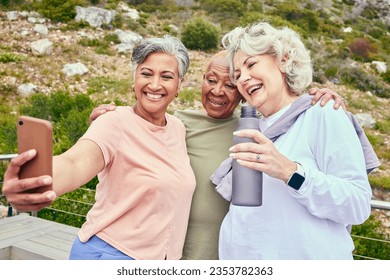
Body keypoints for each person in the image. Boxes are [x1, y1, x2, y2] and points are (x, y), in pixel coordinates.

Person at [89, 50, 346, 259]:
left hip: (225, 256)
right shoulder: (177, 123)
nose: (217, 91)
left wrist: (316, 97)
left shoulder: (257, 129)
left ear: (243, 91)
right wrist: (106, 120)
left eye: (230, 85)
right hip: (165, 254)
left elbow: (289, 111)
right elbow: (133, 137)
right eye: (211, 80)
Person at [2, 35, 196, 260]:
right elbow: (75, 162)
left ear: (179, 85)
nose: (154, 84)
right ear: (134, 81)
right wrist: (36, 183)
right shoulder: (113, 121)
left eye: (166, 76)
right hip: (109, 254)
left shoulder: (177, 128)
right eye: (146, 73)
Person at [211, 22, 379, 259]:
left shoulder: (323, 113)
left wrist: (290, 172)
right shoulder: (252, 127)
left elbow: (358, 204)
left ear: (283, 59)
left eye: (251, 64)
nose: (244, 79)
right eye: (237, 75)